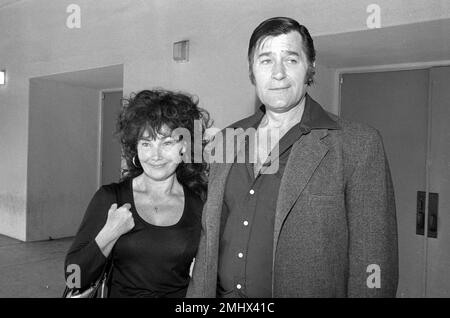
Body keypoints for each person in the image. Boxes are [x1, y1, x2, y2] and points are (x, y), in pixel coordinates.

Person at [187, 17, 398, 297]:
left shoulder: (357, 144)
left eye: (291, 60)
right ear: (252, 71)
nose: (278, 74)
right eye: (265, 60)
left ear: (310, 67)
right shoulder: (226, 139)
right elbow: (209, 234)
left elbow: (374, 258)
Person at [65, 89, 210, 298]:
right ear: (136, 148)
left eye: (167, 143)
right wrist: (109, 233)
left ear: (184, 147)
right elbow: (73, 277)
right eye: (146, 143)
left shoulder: (199, 205)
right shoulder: (111, 198)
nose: (156, 155)